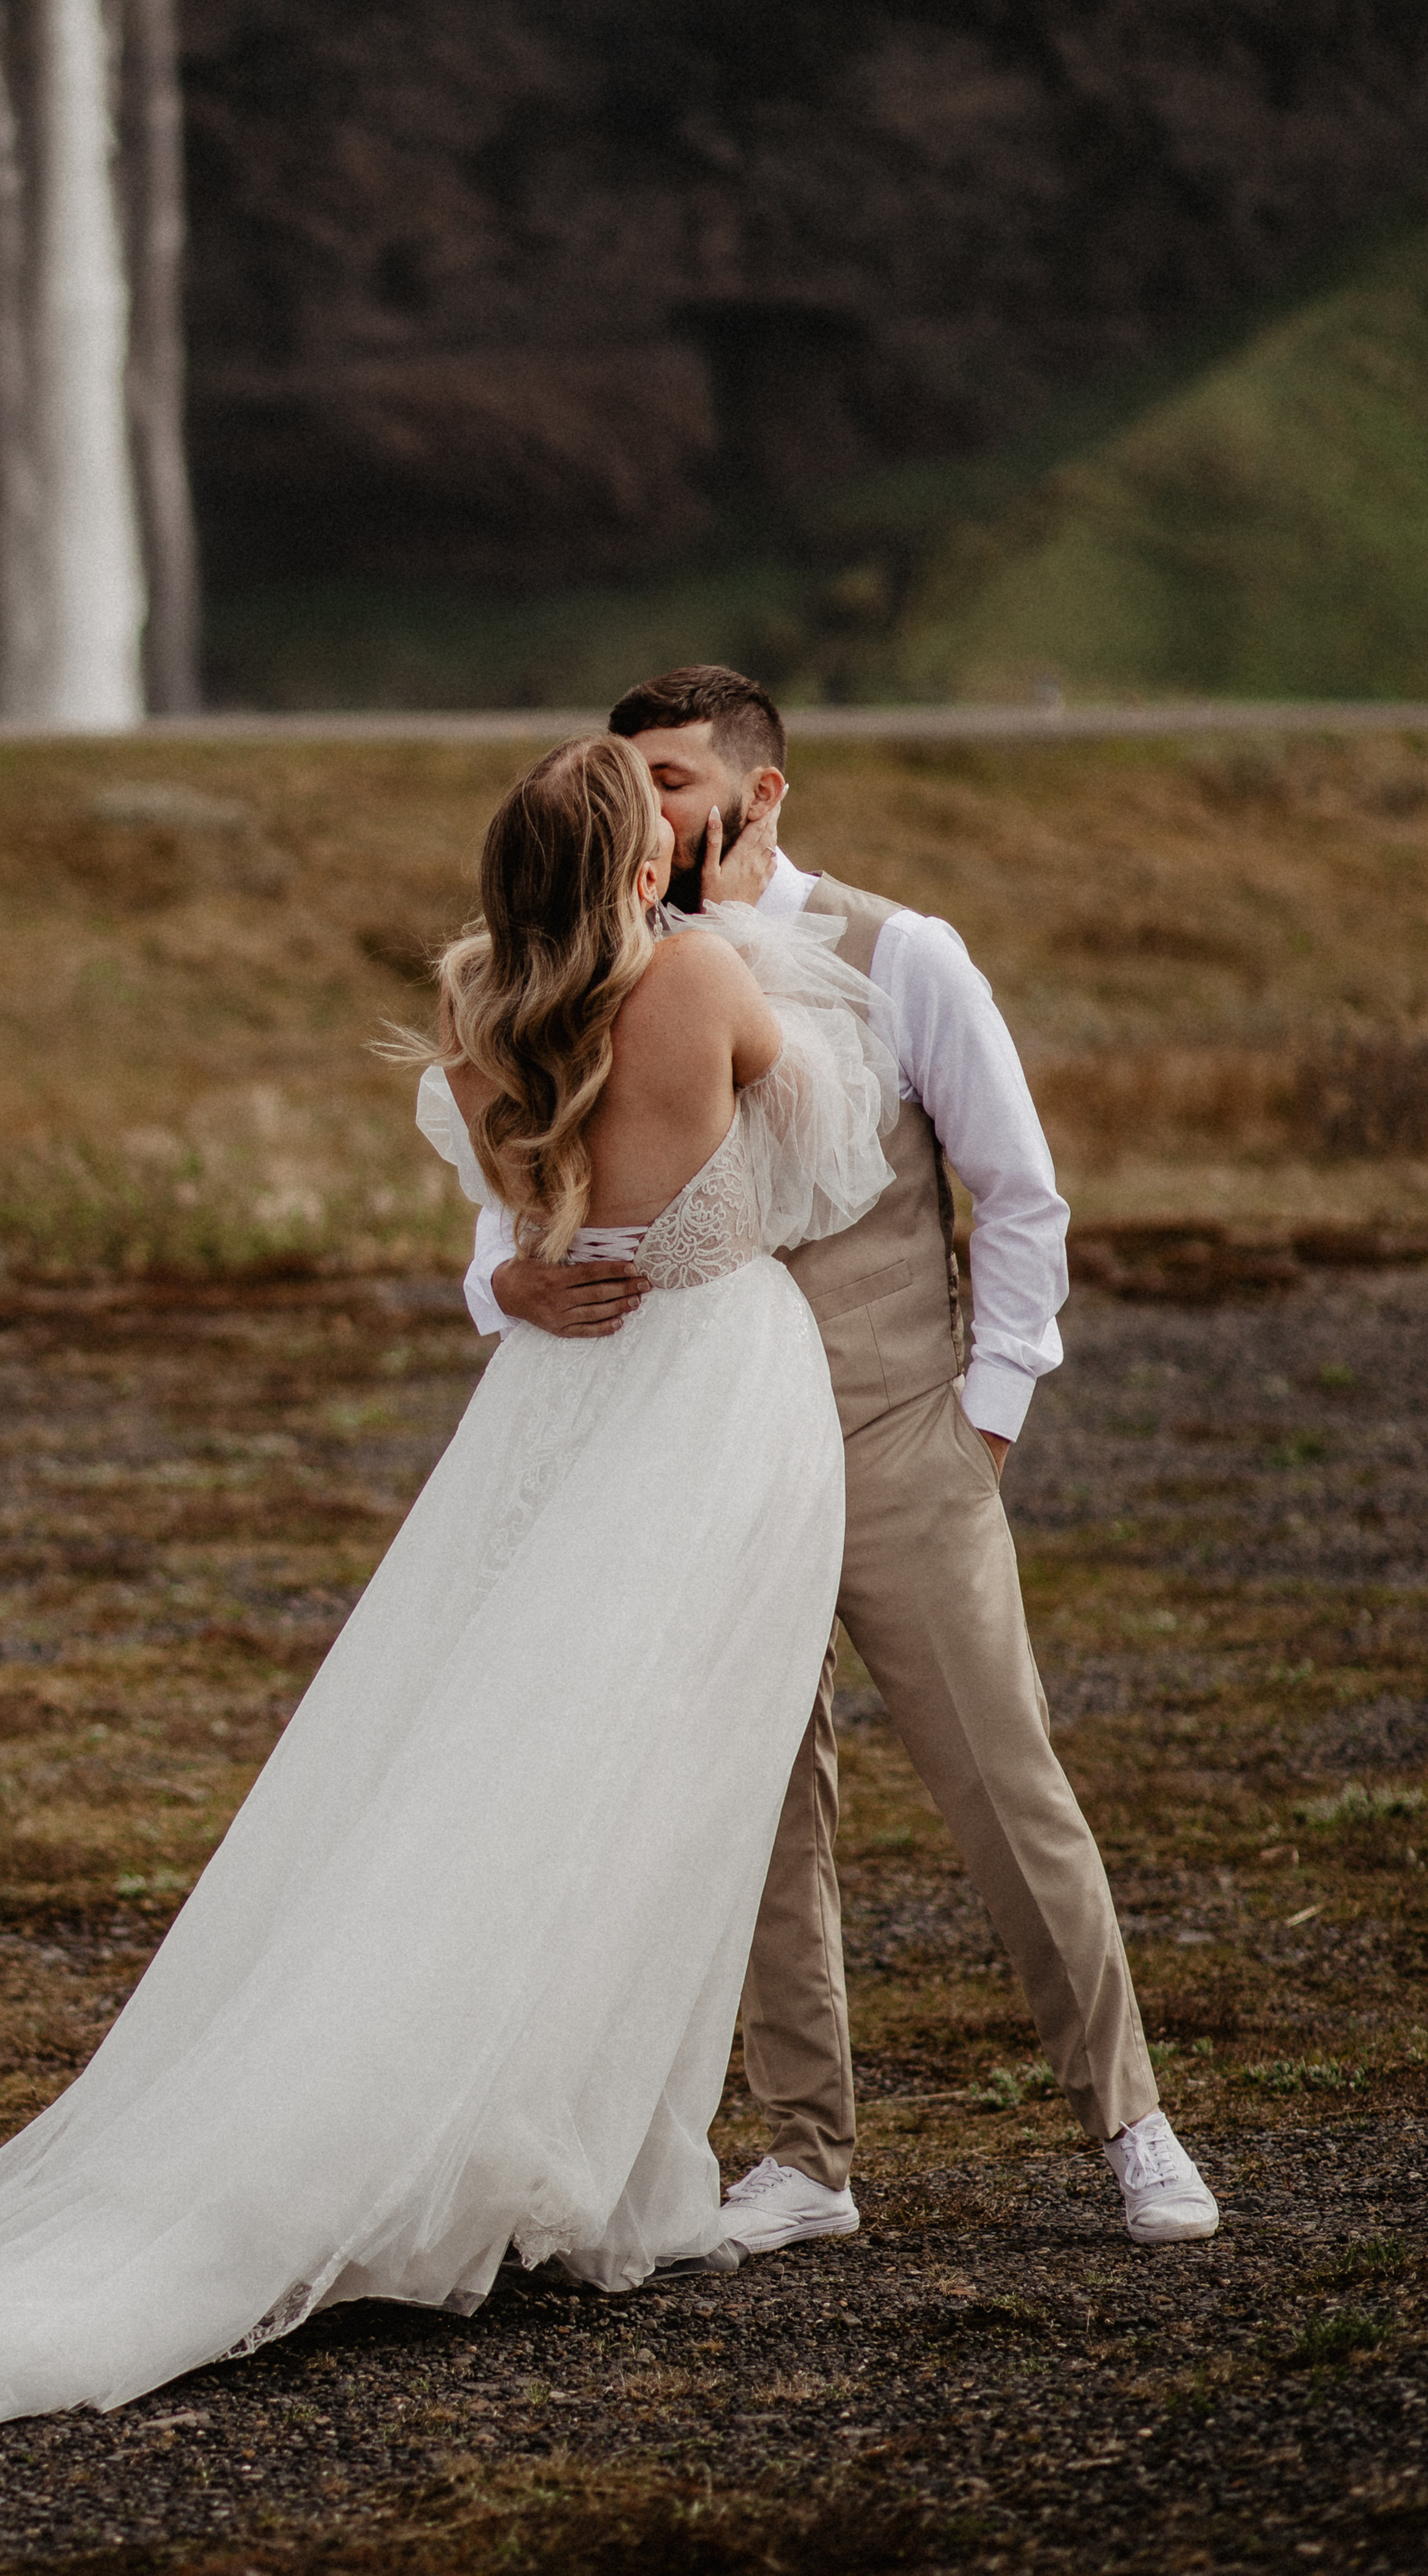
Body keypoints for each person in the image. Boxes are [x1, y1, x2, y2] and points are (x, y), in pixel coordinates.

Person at [0, 732, 900, 2426]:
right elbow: (828, 1159)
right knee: (653, 1778)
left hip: (554, 1395)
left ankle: (512, 2133)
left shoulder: (478, 1010)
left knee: (485, 1753)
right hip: (711, 1389)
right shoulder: (711, 980)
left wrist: (524, 1270)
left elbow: (523, 1224)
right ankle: (580, 2160)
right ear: (639, 869)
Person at [469, 665, 1218, 2254]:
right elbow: (528, 1192)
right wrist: (502, 1284)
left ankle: (1135, 2123)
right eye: (629, 781)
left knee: (1004, 1787)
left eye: (674, 780)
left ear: (762, 793)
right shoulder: (607, 965)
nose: (648, 811)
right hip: (695, 1446)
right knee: (756, 1809)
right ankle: (807, 2156)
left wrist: (992, 1408)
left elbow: (1020, 1194)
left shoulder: (905, 954)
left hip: (898, 1436)